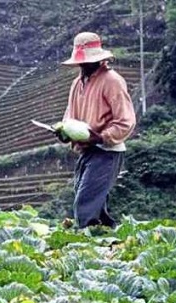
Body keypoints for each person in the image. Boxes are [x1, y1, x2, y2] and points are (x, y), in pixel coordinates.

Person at [57, 32, 137, 230]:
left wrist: (101, 137)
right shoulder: (77, 83)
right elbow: (70, 118)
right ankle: (111, 241)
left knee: (85, 204)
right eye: (81, 63)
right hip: (88, 150)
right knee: (93, 203)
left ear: (99, 59)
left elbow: (126, 121)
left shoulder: (112, 81)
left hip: (107, 151)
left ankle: (88, 246)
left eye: (87, 62)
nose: (83, 66)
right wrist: (64, 132)